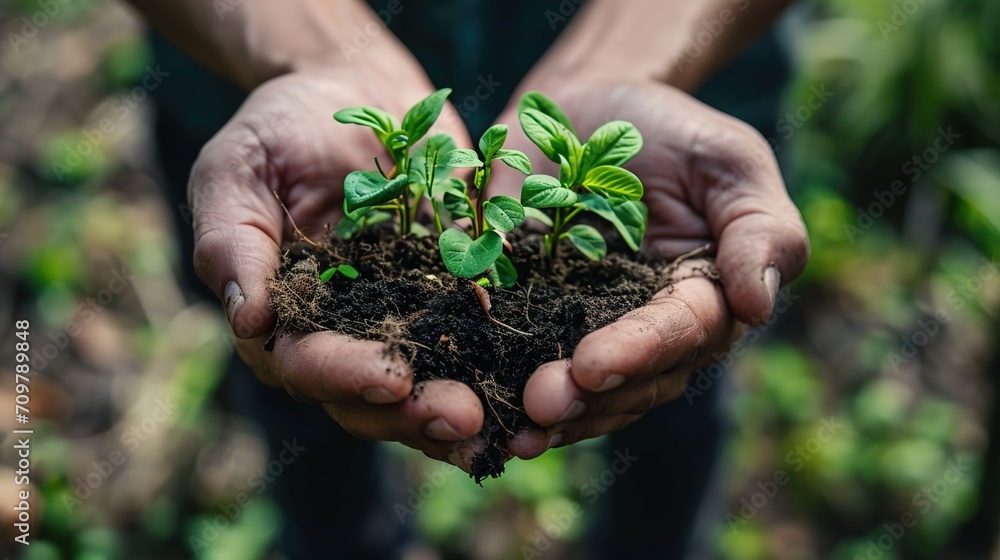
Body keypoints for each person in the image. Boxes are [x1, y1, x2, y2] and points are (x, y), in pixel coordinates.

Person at [129, 0, 810, 556]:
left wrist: (628, 63)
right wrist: (318, 54)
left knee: (673, 387)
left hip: (691, 74)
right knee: (293, 350)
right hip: (263, 99)